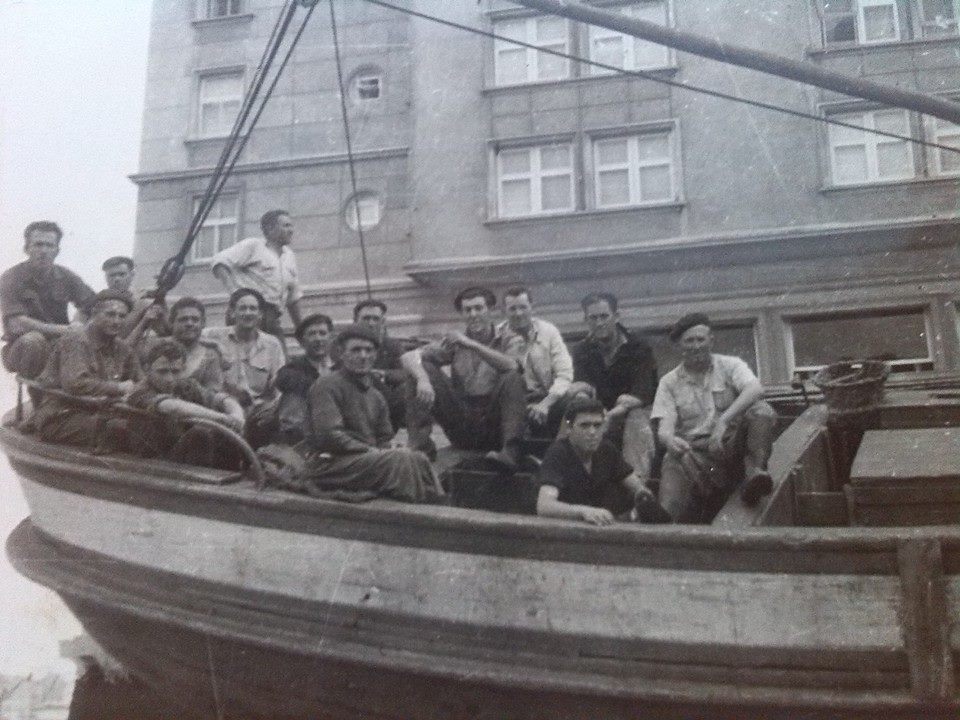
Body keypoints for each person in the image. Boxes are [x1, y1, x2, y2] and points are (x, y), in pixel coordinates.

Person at [651, 313, 777, 523]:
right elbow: (665, 426)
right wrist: (669, 440)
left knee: (761, 410)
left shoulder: (730, 365)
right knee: (672, 463)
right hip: (696, 455)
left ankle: (755, 473)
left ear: (711, 340)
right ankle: (664, 516)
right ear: (680, 346)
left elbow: (755, 389)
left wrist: (724, 421)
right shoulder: (669, 382)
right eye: (689, 341)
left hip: (732, 447)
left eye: (700, 339)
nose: (696, 346)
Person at [302, 324, 444, 503]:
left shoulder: (376, 395)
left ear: (375, 355)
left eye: (369, 350)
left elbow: (384, 437)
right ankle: (412, 514)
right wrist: (372, 450)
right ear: (341, 353)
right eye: (356, 350)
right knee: (401, 460)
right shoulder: (327, 385)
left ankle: (438, 506)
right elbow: (329, 436)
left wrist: (390, 447)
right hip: (330, 465)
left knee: (418, 458)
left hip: (363, 462)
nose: (363, 356)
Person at [402, 286, 527, 471]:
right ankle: (420, 450)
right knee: (419, 368)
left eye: (478, 308)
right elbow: (408, 357)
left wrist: (470, 343)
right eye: (467, 310)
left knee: (513, 378)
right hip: (463, 422)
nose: (473, 314)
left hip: (496, 425)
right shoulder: (455, 342)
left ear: (491, 310)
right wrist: (423, 379)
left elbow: (512, 366)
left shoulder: (511, 338)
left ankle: (510, 452)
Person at [536, 397, 670, 526]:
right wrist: (584, 511)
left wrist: (642, 496)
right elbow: (544, 505)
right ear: (569, 428)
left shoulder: (606, 449)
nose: (592, 432)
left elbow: (638, 489)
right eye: (584, 425)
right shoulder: (558, 453)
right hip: (567, 532)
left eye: (597, 425)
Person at [31, 290, 140, 447]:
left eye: (122, 316)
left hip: (100, 413)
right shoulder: (76, 339)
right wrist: (119, 387)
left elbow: (141, 380)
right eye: (110, 314)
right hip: (61, 417)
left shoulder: (122, 348)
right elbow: (75, 383)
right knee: (133, 432)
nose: (116, 321)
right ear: (95, 314)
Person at [572, 292, 659, 482]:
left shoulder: (639, 347)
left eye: (604, 316)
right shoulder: (582, 350)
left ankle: (637, 486)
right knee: (574, 413)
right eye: (593, 318)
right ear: (585, 319)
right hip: (601, 413)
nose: (599, 323)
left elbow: (642, 392)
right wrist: (586, 404)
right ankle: (562, 470)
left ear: (616, 316)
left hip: (636, 412)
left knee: (636, 418)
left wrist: (609, 415)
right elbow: (582, 384)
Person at [123, 339, 245, 468]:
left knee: (225, 432)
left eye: (175, 371)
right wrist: (223, 418)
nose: (169, 379)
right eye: (162, 372)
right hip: (153, 462)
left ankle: (235, 475)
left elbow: (221, 399)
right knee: (200, 433)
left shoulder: (186, 385)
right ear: (147, 369)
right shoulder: (139, 392)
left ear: (183, 369)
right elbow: (172, 407)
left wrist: (237, 416)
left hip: (179, 454)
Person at [0, 221, 96, 380]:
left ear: (57, 250)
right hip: (22, 347)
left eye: (49, 245)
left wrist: (78, 321)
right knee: (34, 341)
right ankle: (38, 395)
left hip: (58, 343)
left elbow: (92, 303)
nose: (43, 251)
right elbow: (17, 323)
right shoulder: (11, 277)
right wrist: (64, 330)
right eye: (38, 245)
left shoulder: (66, 276)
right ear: (26, 248)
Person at [204, 288, 285, 448]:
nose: (248, 313)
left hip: (258, 413)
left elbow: (279, 385)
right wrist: (215, 346)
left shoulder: (272, 344)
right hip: (223, 410)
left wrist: (275, 408)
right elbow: (187, 335)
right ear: (232, 312)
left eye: (253, 309)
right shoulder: (214, 335)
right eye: (242, 308)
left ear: (260, 314)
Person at [210, 209, 303, 344]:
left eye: (291, 225)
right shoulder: (253, 246)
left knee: (280, 361)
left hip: (273, 318)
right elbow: (219, 262)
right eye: (286, 226)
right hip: (248, 314)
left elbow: (293, 297)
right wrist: (236, 293)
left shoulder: (289, 256)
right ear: (270, 228)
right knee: (244, 358)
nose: (291, 230)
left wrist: (301, 329)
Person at [496, 286, 574, 436]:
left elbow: (565, 375)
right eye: (512, 309)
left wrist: (545, 404)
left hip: (547, 398)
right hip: (511, 404)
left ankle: (562, 449)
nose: (518, 314)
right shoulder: (497, 335)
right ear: (503, 311)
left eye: (523, 307)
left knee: (574, 402)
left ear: (533, 308)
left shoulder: (549, 331)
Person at [274, 313, 335, 444]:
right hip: (305, 437)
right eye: (312, 334)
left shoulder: (340, 367)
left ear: (331, 337)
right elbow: (282, 380)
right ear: (302, 341)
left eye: (323, 333)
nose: (318, 339)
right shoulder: (294, 370)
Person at [353, 299, 407, 430]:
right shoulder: (343, 344)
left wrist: (384, 374)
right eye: (366, 318)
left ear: (383, 322)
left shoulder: (392, 345)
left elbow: (405, 372)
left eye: (376, 319)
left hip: (385, 399)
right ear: (355, 320)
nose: (371, 323)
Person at [100, 256, 167, 346]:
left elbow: (164, 332)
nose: (116, 279)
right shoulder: (97, 302)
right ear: (106, 277)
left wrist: (161, 300)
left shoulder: (143, 302)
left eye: (122, 274)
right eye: (112, 275)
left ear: (132, 275)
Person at [168, 297, 225, 391]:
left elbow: (213, 393)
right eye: (183, 319)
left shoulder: (210, 356)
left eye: (195, 319)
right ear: (171, 323)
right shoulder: (156, 348)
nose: (189, 323)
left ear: (203, 323)